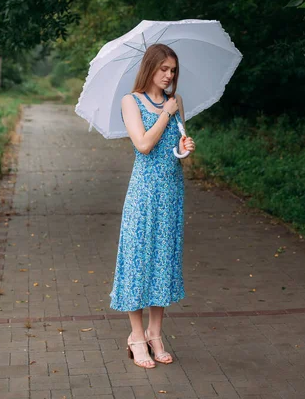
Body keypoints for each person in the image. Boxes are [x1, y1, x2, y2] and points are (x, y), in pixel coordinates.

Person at [109, 43, 196, 368]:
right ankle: (136, 337)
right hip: (144, 195)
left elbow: (173, 151)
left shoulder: (177, 102)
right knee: (137, 261)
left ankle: (156, 334)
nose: (169, 75)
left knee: (163, 261)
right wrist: (166, 114)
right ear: (150, 68)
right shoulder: (130, 102)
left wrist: (185, 149)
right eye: (163, 69)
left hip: (171, 192)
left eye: (173, 70)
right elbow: (144, 145)